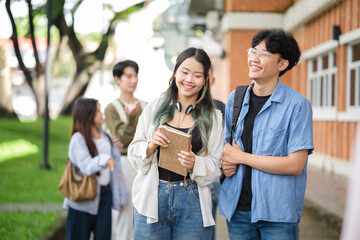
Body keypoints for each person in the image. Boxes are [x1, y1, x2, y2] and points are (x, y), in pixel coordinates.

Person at [219, 29, 314, 240]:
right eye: (253, 52)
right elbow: (226, 148)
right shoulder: (236, 98)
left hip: (277, 214)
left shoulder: (297, 105)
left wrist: (242, 158)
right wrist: (225, 163)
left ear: (282, 64)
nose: (254, 59)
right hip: (238, 210)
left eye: (264, 54)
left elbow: (294, 165)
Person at [128, 47, 224, 239]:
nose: (189, 80)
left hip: (193, 198)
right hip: (152, 195)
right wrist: (151, 145)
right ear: (175, 72)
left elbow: (216, 165)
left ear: (206, 79)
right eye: (185, 72)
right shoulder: (154, 107)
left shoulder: (214, 117)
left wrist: (195, 162)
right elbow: (133, 151)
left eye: (197, 75)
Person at [63, 97, 128, 240]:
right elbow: (85, 166)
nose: (101, 113)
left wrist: (121, 197)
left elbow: (116, 170)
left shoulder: (106, 137)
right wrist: (105, 159)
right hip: (82, 198)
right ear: (88, 114)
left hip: (104, 195)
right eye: (98, 110)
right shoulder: (78, 139)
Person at [104, 60, 146, 240]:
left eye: (135, 75)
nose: (133, 80)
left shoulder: (146, 105)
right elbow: (121, 139)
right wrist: (130, 120)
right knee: (124, 212)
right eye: (128, 76)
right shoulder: (112, 108)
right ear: (118, 80)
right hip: (124, 165)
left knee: (144, 212)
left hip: (145, 163)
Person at [208, 67, 225, 240]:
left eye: (208, 74)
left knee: (210, 224)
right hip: (196, 177)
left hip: (217, 174)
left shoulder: (221, 107)